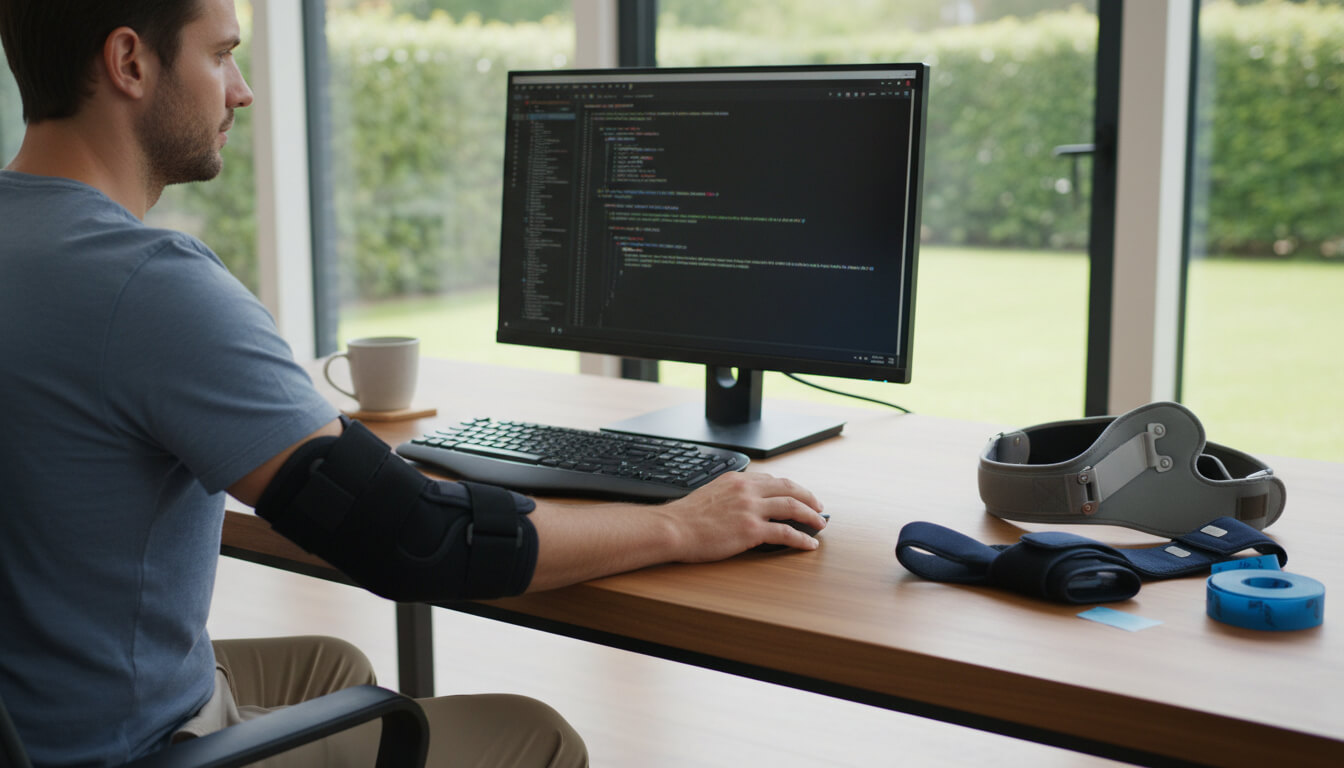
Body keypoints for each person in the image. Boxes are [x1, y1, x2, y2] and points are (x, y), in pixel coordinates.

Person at [0, 1, 828, 766]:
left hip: (36, 713)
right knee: (536, 736)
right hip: (120, 748)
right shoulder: (147, 283)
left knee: (336, 664)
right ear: (129, 63)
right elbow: (413, 539)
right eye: (220, 56)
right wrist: (680, 526)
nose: (243, 92)